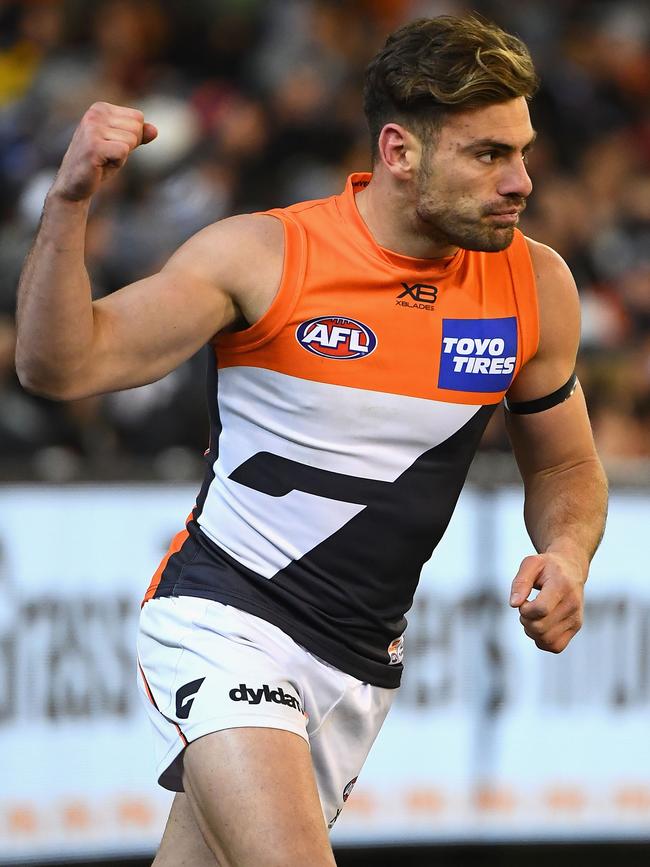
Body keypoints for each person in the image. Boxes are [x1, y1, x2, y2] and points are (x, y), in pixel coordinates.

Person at [15, 14, 608, 867]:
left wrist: (568, 550)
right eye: (488, 155)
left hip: (359, 660)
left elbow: (565, 461)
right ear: (401, 151)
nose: (520, 180)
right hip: (226, 616)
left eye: (523, 150)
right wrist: (68, 201)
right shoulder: (265, 255)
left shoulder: (534, 282)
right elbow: (59, 367)